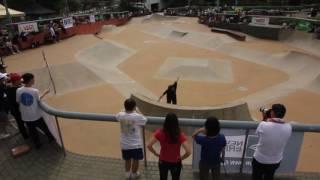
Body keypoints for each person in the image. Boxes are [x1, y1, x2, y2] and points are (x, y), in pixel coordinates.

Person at [252, 104, 292, 180]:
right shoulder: (289, 127)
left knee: (256, 177)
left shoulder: (263, 125)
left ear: (272, 113)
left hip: (259, 160)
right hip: (275, 161)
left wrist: (265, 118)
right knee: (269, 177)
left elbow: (259, 134)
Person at [147, 113, 191, 180]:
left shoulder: (159, 132)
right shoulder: (180, 135)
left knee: (163, 178)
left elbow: (149, 145)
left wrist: (155, 153)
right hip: (176, 162)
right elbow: (188, 152)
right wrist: (181, 158)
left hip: (163, 160)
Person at [16, 73, 54, 149]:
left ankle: (38, 145)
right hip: (35, 115)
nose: (34, 80)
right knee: (44, 127)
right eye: (33, 79)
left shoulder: (18, 90)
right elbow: (38, 99)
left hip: (25, 116)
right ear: (30, 80)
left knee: (32, 131)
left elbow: (18, 101)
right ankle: (51, 138)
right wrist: (45, 92)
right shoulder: (34, 91)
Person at [116, 98, 147, 180]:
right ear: (134, 107)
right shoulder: (137, 116)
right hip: (135, 144)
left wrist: (124, 110)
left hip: (124, 144)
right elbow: (145, 120)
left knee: (127, 159)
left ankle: (127, 174)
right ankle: (134, 174)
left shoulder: (120, 115)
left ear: (125, 107)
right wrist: (138, 110)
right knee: (136, 160)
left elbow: (117, 116)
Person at [7, 73, 29, 139]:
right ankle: (26, 136)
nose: (21, 81)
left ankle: (25, 135)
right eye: (19, 80)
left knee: (20, 123)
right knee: (21, 123)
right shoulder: (17, 90)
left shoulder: (9, 88)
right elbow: (19, 101)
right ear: (16, 81)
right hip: (18, 110)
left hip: (14, 110)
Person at [0, 73, 10, 139]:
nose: (4, 79)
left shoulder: (1, 85)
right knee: (3, 120)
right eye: (3, 78)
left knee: (4, 118)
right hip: (0, 107)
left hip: (3, 105)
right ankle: (2, 133)